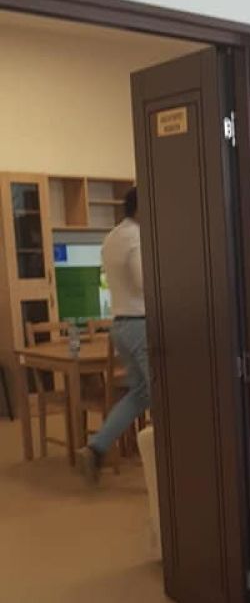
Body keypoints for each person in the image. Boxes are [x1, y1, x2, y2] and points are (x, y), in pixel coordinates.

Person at [76, 187, 150, 484]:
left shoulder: (112, 237)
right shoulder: (136, 237)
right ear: (140, 208)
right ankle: (171, 462)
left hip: (120, 325)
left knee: (141, 392)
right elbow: (144, 282)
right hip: (141, 324)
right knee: (163, 394)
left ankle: (96, 447)